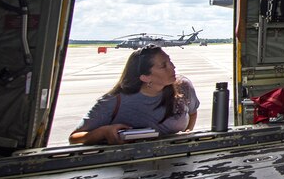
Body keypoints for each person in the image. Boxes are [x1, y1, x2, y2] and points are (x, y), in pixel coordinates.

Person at [69, 45, 200, 145]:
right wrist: (103, 132)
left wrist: (186, 135)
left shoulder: (183, 86)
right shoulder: (114, 101)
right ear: (145, 77)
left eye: (170, 61)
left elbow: (192, 112)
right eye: (163, 65)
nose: (173, 67)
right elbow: (74, 138)